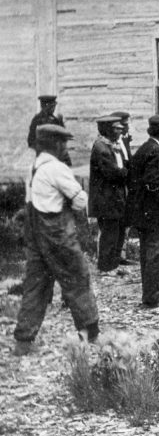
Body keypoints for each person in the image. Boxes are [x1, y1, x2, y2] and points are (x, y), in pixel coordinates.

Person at [13, 125, 100, 356]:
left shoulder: (32, 167)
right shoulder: (56, 168)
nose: (65, 148)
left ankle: (23, 341)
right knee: (77, 279)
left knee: (35, 287)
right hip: (57, 234)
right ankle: (90, 334)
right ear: (55, 144)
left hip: (35, 234)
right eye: (63, 143)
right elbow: (81, 201)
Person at [127, 115, 159, 308]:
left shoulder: (144, 149)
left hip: (144, 212)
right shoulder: (157, 152)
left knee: (148, 253)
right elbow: (152, 184)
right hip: (157, 212)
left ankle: (150, 296)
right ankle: (153, 298)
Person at [90, 115, 130, 273]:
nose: (120, 131)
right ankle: (106, 267)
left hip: (115, 197)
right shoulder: (101, 147)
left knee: (118, 230)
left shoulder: (111, 145)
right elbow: (112, 173)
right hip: (106, 198)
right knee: (110, 233)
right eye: (116, 128)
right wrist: (129, 173)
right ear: (106, 130)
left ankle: (114, 265)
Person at [28, 95, 71, 165]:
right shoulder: (37, 120)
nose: (53, 109)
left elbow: (63, 138)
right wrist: (42, 150)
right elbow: (31, 140)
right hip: (44, 155)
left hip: (57, 155)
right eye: (51, 107)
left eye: (54, 106)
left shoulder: (56, 119)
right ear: (45, 106)